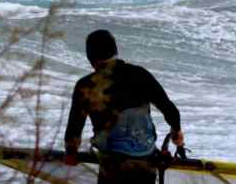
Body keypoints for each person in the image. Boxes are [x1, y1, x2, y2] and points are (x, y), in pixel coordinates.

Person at [64, 29, 184, 183]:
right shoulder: (140, 74)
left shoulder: (86, 85)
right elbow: (170, 109)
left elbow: (75, 126)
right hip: (145, 159)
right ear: (115, 51)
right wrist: (176, 133)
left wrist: (71, 152)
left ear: (90, 58)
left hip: (113, 164)